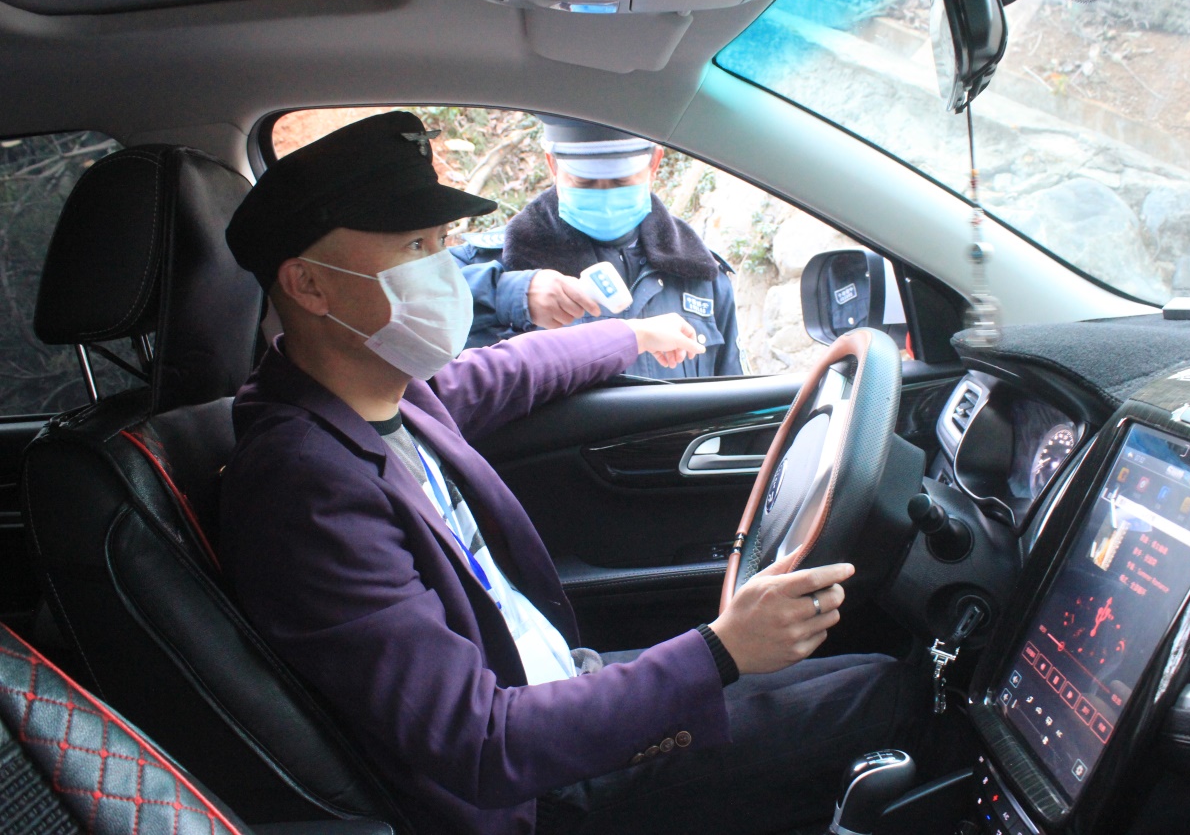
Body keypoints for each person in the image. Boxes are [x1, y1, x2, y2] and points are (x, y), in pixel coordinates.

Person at [220, 111, 918, 835]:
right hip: (534, 788)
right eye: (415, 247)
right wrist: (720, 650)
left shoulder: (382, 397)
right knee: (887, 697)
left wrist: (632, 334)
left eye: (443, 241)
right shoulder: (304, 487)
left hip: (557, 689)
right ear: (309, 285)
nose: (444, 269)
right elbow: (480, 744)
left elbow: (512, 368)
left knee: (858, 666)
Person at [452, 116, 745, 379]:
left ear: (654, 163)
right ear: (552, 165)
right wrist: (509, 293)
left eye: (622, 181)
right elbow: (423, 307)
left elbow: (733, 403)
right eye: (585, 182)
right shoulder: (495, 262)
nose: (605, 198)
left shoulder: (703, 276)